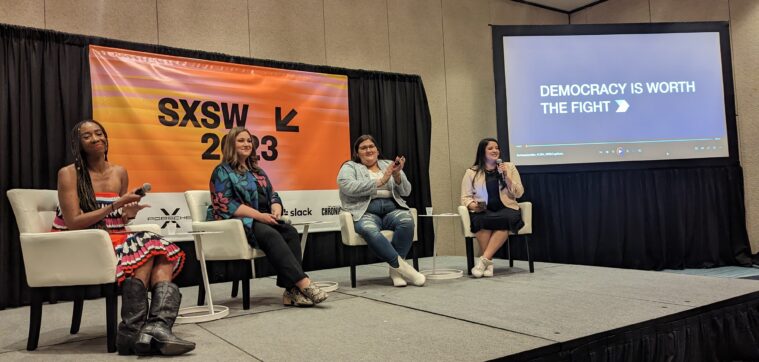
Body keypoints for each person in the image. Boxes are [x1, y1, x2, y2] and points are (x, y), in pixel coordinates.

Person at [53, 120, 194, 356]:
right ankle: (138, 332)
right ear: (78, 143)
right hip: (80, 242)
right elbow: (73, 222)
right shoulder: (68, 174)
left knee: (161, 253)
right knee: (147, 249)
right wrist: (116, 205)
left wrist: (127, 213)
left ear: (107, 138)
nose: (95, 138)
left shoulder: (119, 171)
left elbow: (119, 219)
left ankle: (152, 328)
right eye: (87, 136)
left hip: (114, 238)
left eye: (99, 133)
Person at [208, 127, 327, 307]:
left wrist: (275, 207)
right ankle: (304, 284)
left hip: (263, 218)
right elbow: (225, 203)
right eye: (241, 140)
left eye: (249, 140)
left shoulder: (258, 171)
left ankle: (290, 291)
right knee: (271, 234)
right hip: (240, 222)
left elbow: (272, 194)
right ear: (231, 144)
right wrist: (259, 216)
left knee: (290, 232)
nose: (247, 144)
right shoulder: (222, 171)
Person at [337, 134, 425, 287]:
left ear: (377, 150)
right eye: (363, 148)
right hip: (365, 212)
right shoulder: (350, 167)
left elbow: (406, 191)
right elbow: (347, 186)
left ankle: (395, 272)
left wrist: (397, 175)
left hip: (391, 209)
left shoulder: (388, 164)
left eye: (371, 147)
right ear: (357, 153)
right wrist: (380, 181)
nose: (368, 150)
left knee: (407, 220)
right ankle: (404, 269)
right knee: (368, 229)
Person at [461, 138, 524, 278]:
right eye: (490, 148)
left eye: (497, 148)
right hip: (484, 210)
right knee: (480, 221)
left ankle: (484, 261)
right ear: (482, 152)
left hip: (506, 208)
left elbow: (519, 193)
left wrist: (506, 176)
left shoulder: (509, 167)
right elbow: (465, 198)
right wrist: (474, 206)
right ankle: (488, 263)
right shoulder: (471, 172)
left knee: (506, 219)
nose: (495, 151)